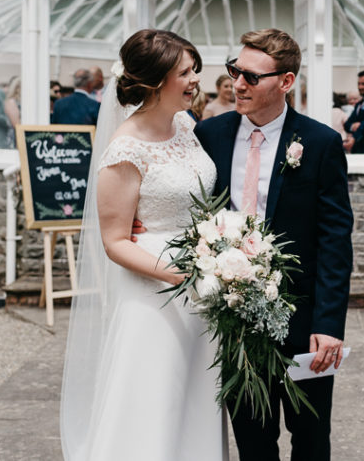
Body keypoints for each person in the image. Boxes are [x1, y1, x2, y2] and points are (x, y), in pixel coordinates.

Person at [60, 30, 225, 460]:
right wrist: (180, 274)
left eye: (195, 70)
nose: (195, 81)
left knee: (194, 397)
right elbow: (115, 241)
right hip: (155, 289)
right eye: (185, 73)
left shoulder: (186, 126)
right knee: (152, 398)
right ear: (154, 82)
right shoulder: (125, 149)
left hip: (204, 282)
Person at [194, 29, 354, 461]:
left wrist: (329, 325)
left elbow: (335, 239)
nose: (237, 84)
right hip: (234, 324)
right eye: (234, 71)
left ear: (285, 82)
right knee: (253, 443)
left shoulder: (319, 143)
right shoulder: (209, 135)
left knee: (311, 438)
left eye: (251, 76)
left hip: (303, 322)